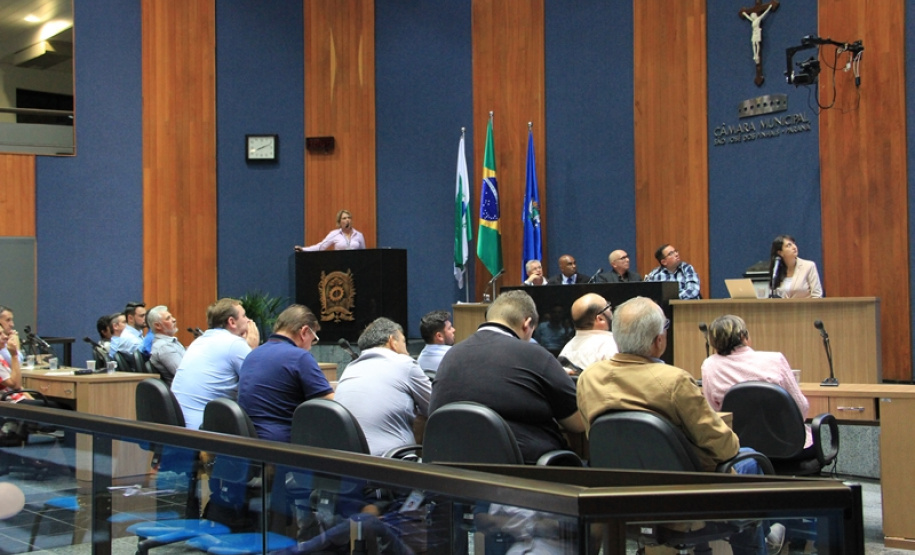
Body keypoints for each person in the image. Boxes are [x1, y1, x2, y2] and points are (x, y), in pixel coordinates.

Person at [576, 297, 749, 472]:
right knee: (751, 457)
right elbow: (724, 448)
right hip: (689, 486)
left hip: (617, 485)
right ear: (659, 340)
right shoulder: (675, 381)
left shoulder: (589, 378)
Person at [431, 290, 584, 463]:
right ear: (527, 324)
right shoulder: (535, 355)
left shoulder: (451, 355)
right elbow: (577, 422)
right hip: (525, 475)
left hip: (455, 473)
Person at [701, 314, 813, 451]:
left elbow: (714, 413)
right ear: (744, 337)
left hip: (738, 449)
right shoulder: (775, 360)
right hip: (789, 447)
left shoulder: (709, 365)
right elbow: (801, 408)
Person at [334, 318, 431, 456]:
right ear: (392, 341)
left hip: (347, 462)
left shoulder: (349, 369)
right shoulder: (404, 363)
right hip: (389, 463)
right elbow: (434, 408)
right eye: (404, 342)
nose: (407, 352)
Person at [237, 304, 333, 443]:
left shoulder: (253, 354)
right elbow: (330, 404)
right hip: (283, 447)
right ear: (304, 331)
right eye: (313, 340)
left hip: (248, 443)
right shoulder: (300, 357)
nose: (310, 347)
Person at [171, 298, 260, 430]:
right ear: (232, 322)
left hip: (179, 429)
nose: (248, 320)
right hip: (206, 433)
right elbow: (260, 385)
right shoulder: (235, 344)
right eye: (244, 315)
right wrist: (253, 350)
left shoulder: (198, 342)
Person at [557, 293, 617, 375]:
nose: (610, 309)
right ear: (600, 319)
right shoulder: (611, 345)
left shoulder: (565, 350)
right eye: (607, 307)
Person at [147, 305, 185, 387]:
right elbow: (184, 373)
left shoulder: (169, 342)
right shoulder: (164, 347)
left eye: (172, 317)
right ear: (158, 326)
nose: (174, 320)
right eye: (168, 318)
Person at [294, 209, 365, 252]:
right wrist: (303, 249)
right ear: (339, 222)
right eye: (344, 218)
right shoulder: (334, 234)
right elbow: (321, 247)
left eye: (349, 218)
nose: (347, 220)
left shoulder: (359, 235)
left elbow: (363, 253)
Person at [416, 310, 455, 375]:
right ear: (439, 336)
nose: (453, 330)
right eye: (449, 328)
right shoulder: (454, 356)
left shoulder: (419, 361)